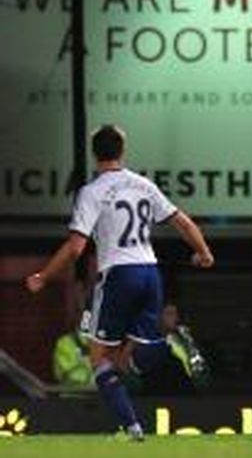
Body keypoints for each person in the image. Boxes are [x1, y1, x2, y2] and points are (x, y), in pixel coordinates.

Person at [24, 125, 214, 440]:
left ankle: (132, 427)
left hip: (119, 275)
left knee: (99, 358)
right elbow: (181, 221)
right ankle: (160, 355)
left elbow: (75, 248)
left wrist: (44, 275)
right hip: (151, 273)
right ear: (122, 150)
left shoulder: (92, 191)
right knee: (127, 359)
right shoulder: (143, 185)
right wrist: (204, 252)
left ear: (95, 153)